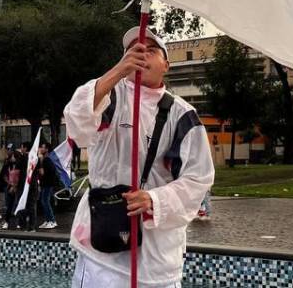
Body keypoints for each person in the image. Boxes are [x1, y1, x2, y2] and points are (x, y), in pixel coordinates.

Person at [64, 27, 215, 288]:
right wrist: (116, 73)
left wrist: (154, 199)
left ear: (166, 64)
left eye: (151, 50)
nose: (141, 54)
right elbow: (77, 126)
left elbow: (198, 179)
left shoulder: (183, 116)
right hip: (101, 257)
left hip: (156, 262)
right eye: (134, 50)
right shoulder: (108, 96)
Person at [0, 143, 23, 229]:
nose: (8, 152)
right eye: (8, 150)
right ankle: (7, 221)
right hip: (9, 186)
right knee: (9, 205)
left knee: (17, 204)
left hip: (17, 186)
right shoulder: (7, 163)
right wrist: (9, 184)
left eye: (10, 150)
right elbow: (3, 175)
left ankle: (19, 222)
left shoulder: (19, 163)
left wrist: (15, 185)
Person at [37, 141, 59, 230]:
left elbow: (42, 172)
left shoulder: (47, 160)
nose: (41, 149)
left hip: (47, 185)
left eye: (43, 147)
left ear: (47, 149)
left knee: (45, 202)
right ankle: (47, 220)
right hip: (45, 185)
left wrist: (40, 162)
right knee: (44, 202)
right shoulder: (46, 159)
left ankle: (52, 221)